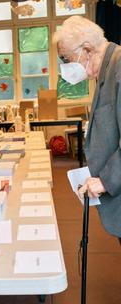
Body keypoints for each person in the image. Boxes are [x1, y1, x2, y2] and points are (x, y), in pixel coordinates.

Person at [53, 15, 121, 238]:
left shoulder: (119, 67)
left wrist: (106, 180)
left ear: (88, 49)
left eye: (66, 59)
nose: (65, 67)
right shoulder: (105, 72)